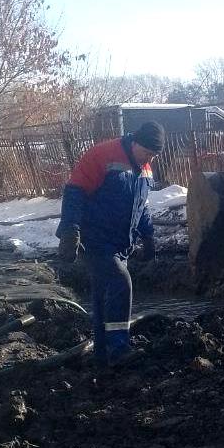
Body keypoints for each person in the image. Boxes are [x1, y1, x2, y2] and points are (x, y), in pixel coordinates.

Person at [56, 121, 165, 368]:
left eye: (153, 155)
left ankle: (102, 357)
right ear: (135, 142)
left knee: (104, 295)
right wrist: (70, 229)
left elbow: (141, 206)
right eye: (147, 152)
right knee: (120, 281)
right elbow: (74, 191)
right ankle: (119, 348)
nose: (149, 158)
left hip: (120, 244)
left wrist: (148, 236)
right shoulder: (103, 155)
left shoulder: (145, 168)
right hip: (95, 239)